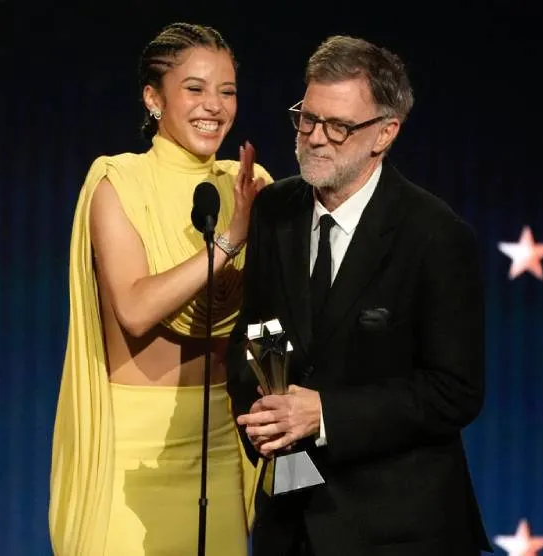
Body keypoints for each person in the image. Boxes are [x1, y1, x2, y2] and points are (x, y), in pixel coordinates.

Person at [227, 35, 492, 555]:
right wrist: (265, 416)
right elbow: (252, 336)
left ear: (385, 133)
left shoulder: (435, 236)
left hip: (397, 530)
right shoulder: (275, 210)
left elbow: (454, 390)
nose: (316, 138)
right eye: (307, 118)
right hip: (291, 522)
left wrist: (323, 415)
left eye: (339, 126)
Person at [49, 22, 271, 556]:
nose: (213, 106)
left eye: (227, 91)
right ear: (154, 98)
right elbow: (136, 307)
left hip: (220, 439)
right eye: (194, 89)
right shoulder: (117, 181)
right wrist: (229, 243)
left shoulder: (249, 183)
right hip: (133, 449)